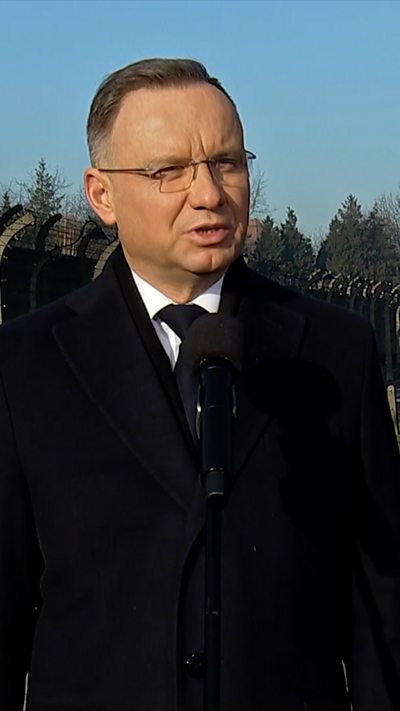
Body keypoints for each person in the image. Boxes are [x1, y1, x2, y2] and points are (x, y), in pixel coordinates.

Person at [1, 58, 399, 711]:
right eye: (169, 172)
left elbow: (383, 609)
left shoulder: (335, 353)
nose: (209, 193)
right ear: (102, 194)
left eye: (227, 163)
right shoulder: (24, 365)